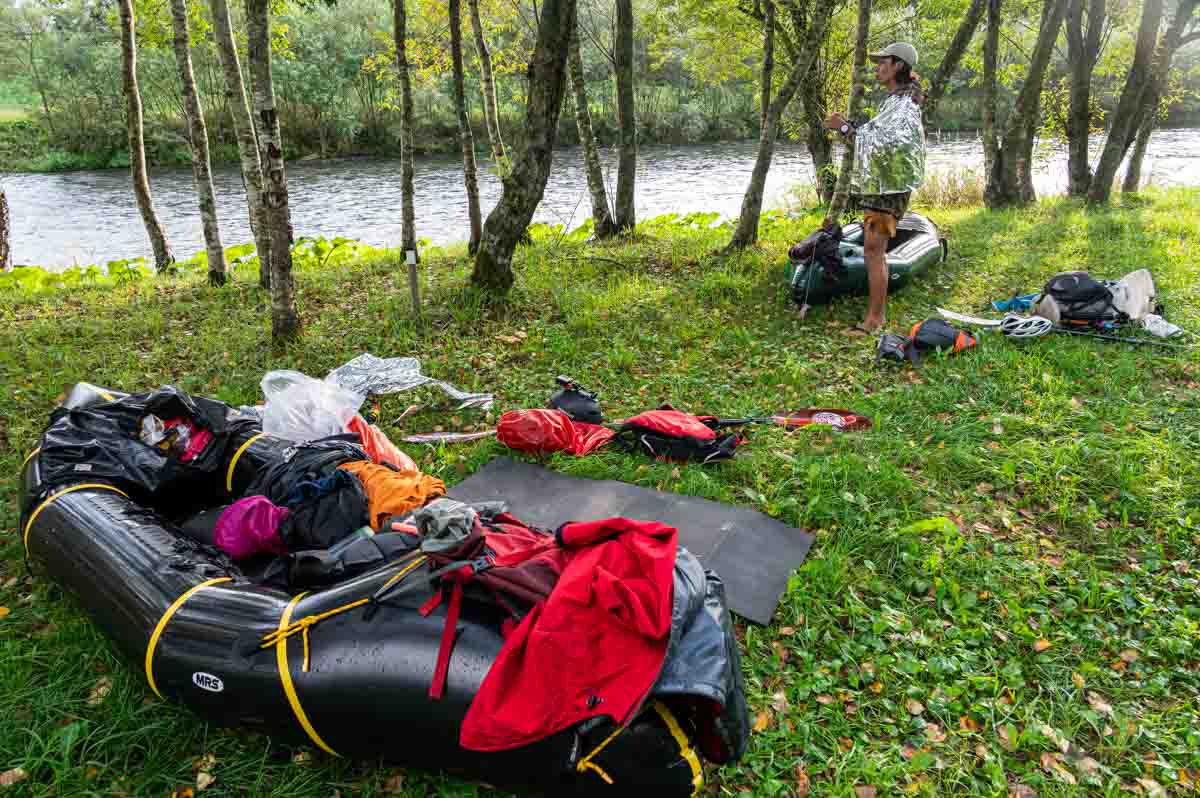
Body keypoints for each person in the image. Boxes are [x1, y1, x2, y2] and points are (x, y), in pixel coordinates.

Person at [825, 42, 926, 334]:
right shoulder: (894, 99)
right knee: (873, 249)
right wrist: (849, 128)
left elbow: (889, 144)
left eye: (883, 62)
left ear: (898, 65)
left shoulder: (906, 101)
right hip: (882, 186)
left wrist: (844, 129)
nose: (878, 67)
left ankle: (875, 320)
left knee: (874, 250)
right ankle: (874, 316)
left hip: (890, 189)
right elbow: (877, 136)